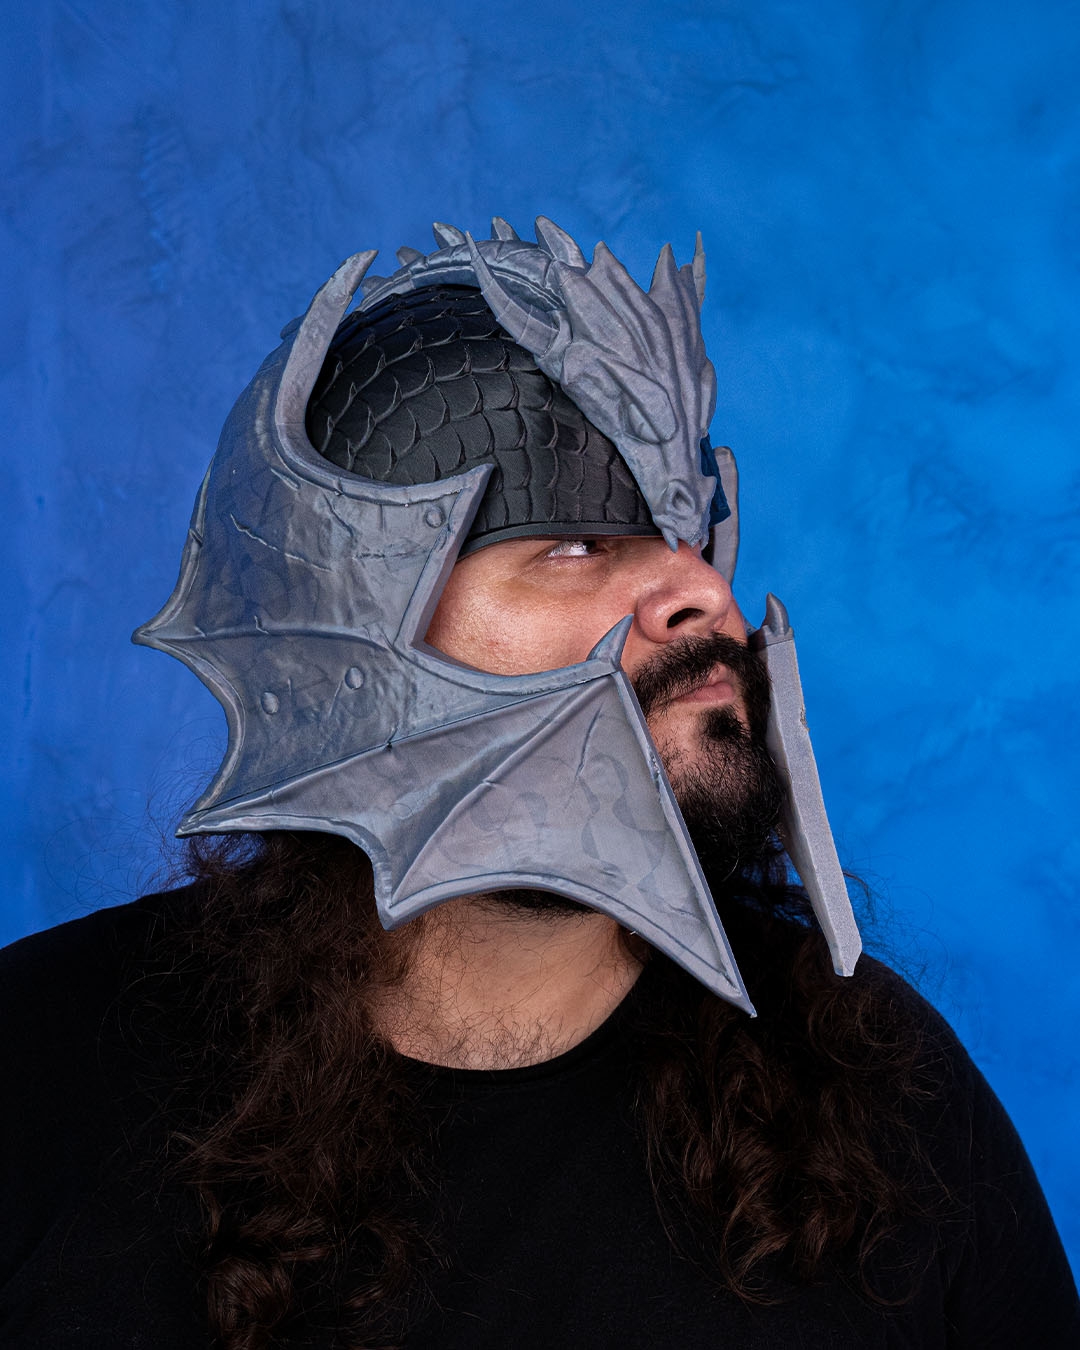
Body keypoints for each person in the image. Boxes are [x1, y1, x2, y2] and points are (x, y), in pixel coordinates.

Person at [1, 218, 1077, 1350]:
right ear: (352, 634)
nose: (703, 595)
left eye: (690, 535)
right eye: (572, 544)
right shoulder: (37, 1075)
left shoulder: (882, 1098)